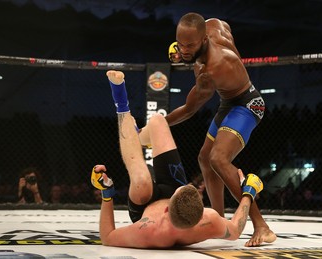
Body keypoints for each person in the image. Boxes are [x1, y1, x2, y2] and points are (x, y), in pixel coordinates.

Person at [90, 70, 263, 248]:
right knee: (158, 120)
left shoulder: (148, 230)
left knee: (141, 180)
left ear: (166, 209)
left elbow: (108, 236)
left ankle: (121, 101)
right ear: (200, 211)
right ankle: (137, 137)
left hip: (144, 205)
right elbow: (235, 230)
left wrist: (107, 194)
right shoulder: (207, 220)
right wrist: (248, 194)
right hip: (174, 200)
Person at [165, 12, 275, 246]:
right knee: (204, 158)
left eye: (190, 46)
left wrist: (157, 125)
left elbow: (188, 110)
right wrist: (190, 49)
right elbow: (221, 24)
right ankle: (218, 219)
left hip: (247, 104)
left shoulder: (210, 71)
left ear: (203, 40)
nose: (183, 51)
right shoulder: (211, 27)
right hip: (229, 102)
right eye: (180, 43)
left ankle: (262, 226)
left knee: (218, 158)